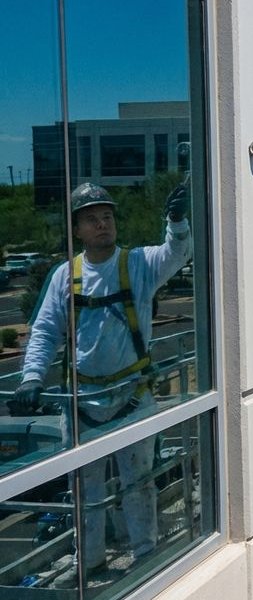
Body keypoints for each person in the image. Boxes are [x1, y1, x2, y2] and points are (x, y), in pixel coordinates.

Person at [15, 181, 192, 579]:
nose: (102, 225)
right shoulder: (66, 277)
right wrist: (31, 378)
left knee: (139, 484)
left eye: (107, 217)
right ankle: (89, 560)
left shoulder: (138, 265)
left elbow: (176, 254)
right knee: (86, 492)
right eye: (92, 219)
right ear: (77, 229)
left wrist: (176, 222)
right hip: (83, 404)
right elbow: (45, 331)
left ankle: (146, 557)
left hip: (131, 397)